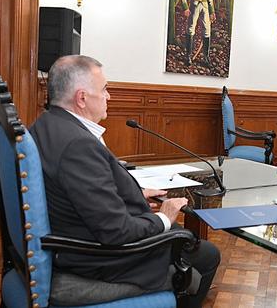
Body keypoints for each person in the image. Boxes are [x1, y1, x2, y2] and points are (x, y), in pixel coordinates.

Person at [30, 55, 220, 307]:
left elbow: (81, 191)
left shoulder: (46, 124)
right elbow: (115, 231)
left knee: (183, 239)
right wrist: (164, 216)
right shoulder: (78, 145)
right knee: (203, 252)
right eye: (105, 89)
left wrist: (136, 193)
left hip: (75, 235)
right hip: (99, 258)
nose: (109, 96)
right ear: (82, 97)